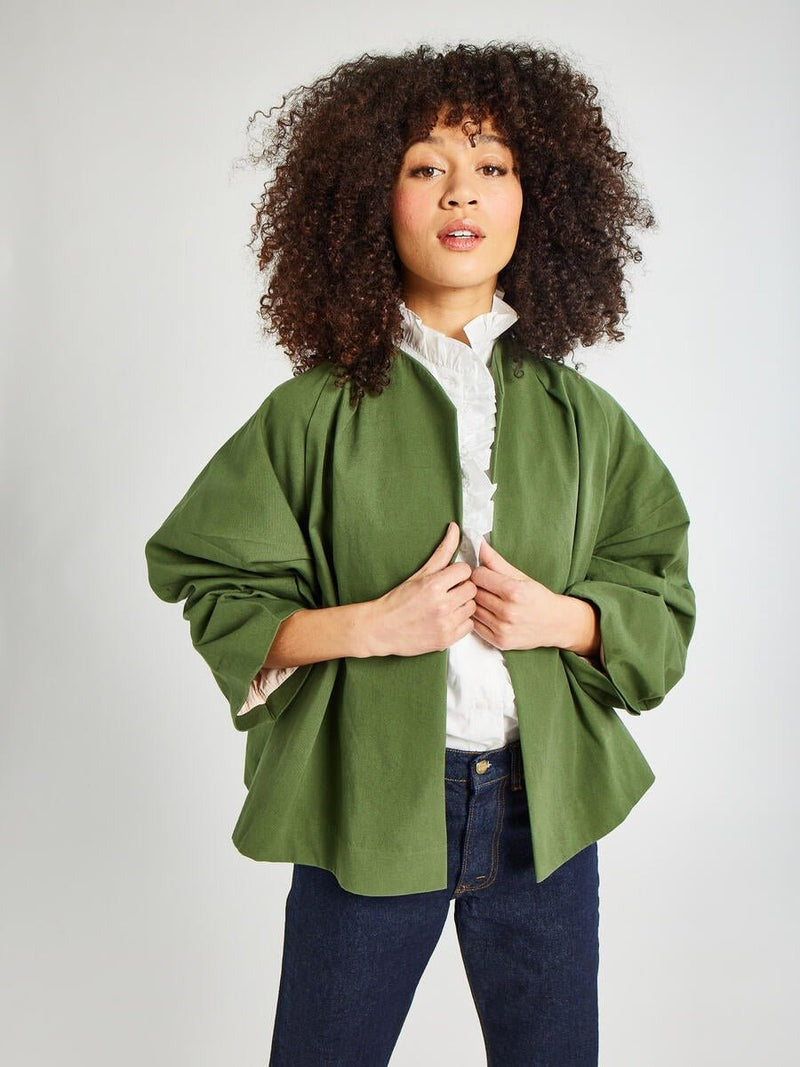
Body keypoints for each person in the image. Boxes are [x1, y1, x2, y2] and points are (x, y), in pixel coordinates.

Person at [145, 42, 696, 1066]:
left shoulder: (581, 416)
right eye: (424, 163)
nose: (461, 192)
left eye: (492, 166)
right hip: (370, 794)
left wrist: (567, 619)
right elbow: (208, 574)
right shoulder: (312, 410)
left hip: (544, 811)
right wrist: (370, 626)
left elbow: (656, 577)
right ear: (369, 196)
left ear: (538, 200)